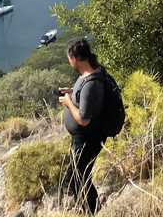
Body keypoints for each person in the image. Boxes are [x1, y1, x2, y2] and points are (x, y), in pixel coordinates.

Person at [58, 38, 108, 213]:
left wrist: (68, 102)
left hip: (88, 140)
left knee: (77, 179)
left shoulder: (91, 83)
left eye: (69, 57)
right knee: (78, 176)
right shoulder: (93, 73)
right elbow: (88, 99)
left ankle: (92, 211)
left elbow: (83, 119)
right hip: (84, 138)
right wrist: (73, 93)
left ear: (75, 58)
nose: (68, 61)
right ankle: (93, 209)